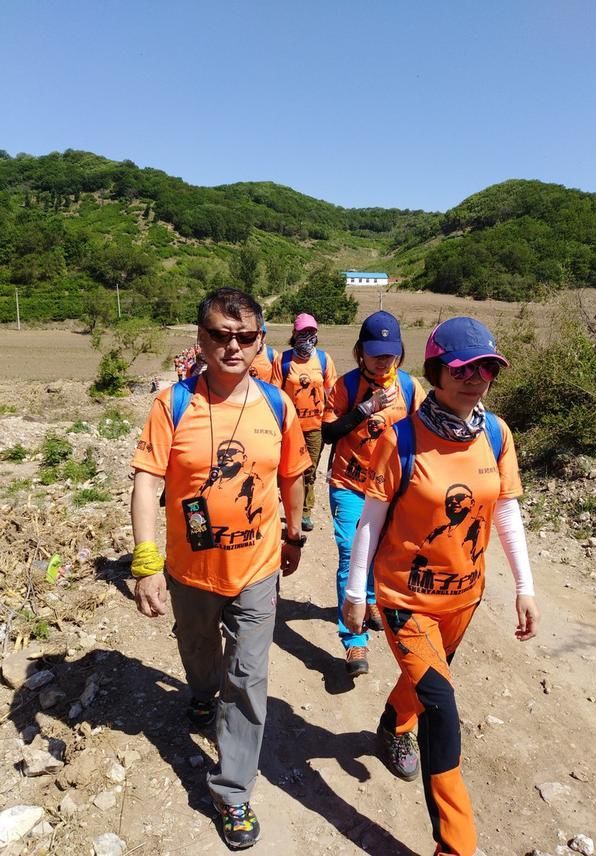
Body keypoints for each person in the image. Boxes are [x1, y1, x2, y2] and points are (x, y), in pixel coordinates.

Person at [343, 316, 540, 856]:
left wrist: (525, 585)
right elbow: (370, 520)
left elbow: (505, 511)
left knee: (426, 683)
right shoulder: (401, 438)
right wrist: (355, 593)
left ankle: (391, 725)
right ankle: (456, 846)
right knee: (443, 705)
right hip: (406, 598)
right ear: (435, 371)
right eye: (462, 368)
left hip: (464, 595)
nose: (475, 378)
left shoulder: (497, 434)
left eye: (486, 368)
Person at [130, 287, 311, 850]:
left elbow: (293, 475)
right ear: (201, 338)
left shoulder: (277, 406)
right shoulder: (173, 404)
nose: (232, 347)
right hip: (190, 570)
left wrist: (294, 533)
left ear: (261, 342)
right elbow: (148, 480)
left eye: (245, 337)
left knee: (248, 679)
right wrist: (145, 559)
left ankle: (232, 791)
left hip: (257, 570)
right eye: (219, 335)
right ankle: (201, 691)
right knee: (199, 652)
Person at [321, 311, 424, 679]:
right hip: (349, 486)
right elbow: (329, 433)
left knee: (380, 552)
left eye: (390, 352)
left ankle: (367, 599)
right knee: (351, 550)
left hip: (391, 490)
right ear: (360, 351)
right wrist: (366, 408)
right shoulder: (345, 386)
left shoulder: (410, 389)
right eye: (375, 352)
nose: (384, 359)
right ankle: (353, 638)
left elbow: (427, 432)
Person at [272, 313, 337, 532]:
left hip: (314, 427)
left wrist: (329, 422)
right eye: (303, 333)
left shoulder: (324, 360)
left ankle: (305, 512)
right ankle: (278, 506)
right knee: (285, 470)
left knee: (309, 470)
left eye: (312, 333)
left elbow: (333, 393)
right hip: (289, 428)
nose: (307, 337)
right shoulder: (283, 360)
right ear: (294, 334)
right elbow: (274, 394)